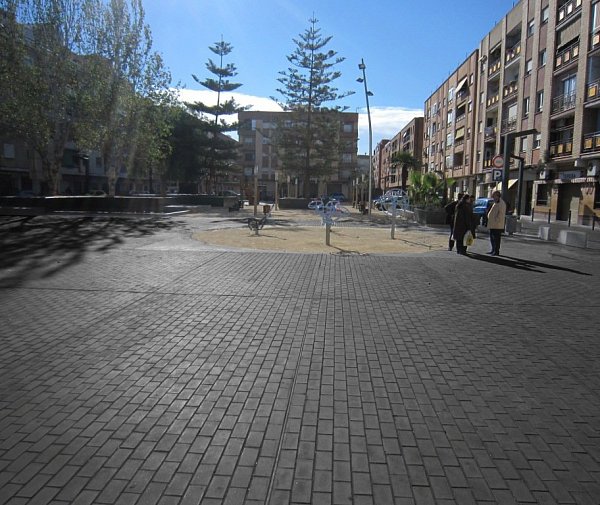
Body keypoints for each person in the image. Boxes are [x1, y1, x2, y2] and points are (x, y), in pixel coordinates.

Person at [487, 190, 507, 256]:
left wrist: (496, 220)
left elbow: (501, 214)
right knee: (492, 238)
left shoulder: (501, 203)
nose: (492, 197)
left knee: (496, 238)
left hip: (497, 225)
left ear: (497, 196)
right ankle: (493, 250)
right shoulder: (496, 202)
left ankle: (496, 251)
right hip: (493, 224)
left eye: (494, 196)